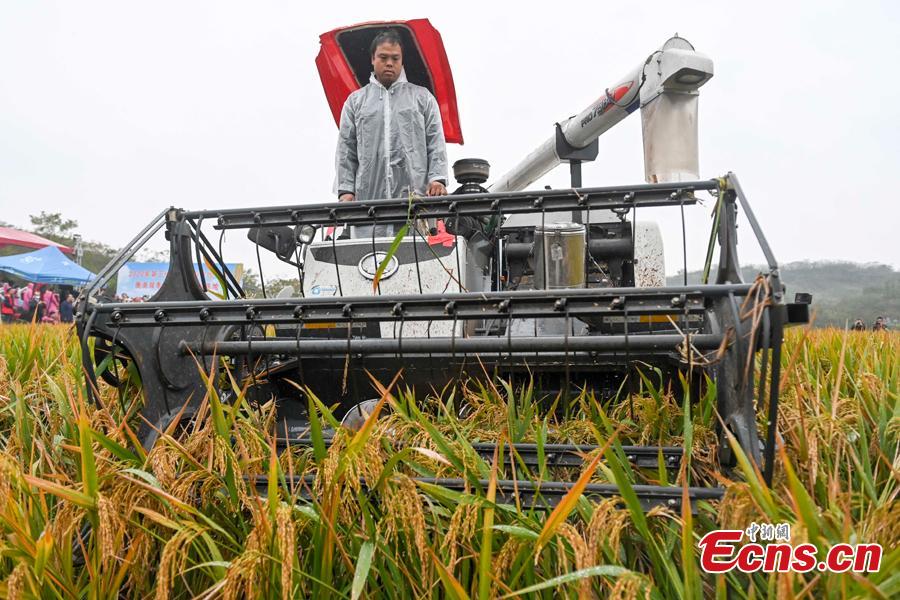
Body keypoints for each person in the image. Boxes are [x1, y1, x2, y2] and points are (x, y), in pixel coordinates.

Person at [335, 28, 448, 237]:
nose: (389, 63)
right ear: (372, 59)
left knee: (416, 264)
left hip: (415, 207)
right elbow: (346, 149)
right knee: (368, 265)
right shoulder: (355, 102)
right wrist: (346, 191)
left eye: (395, 58)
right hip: (367, 209)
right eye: (383, 57)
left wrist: (437, 179)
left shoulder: (422, 98)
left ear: (402, 60)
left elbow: (436, 142)